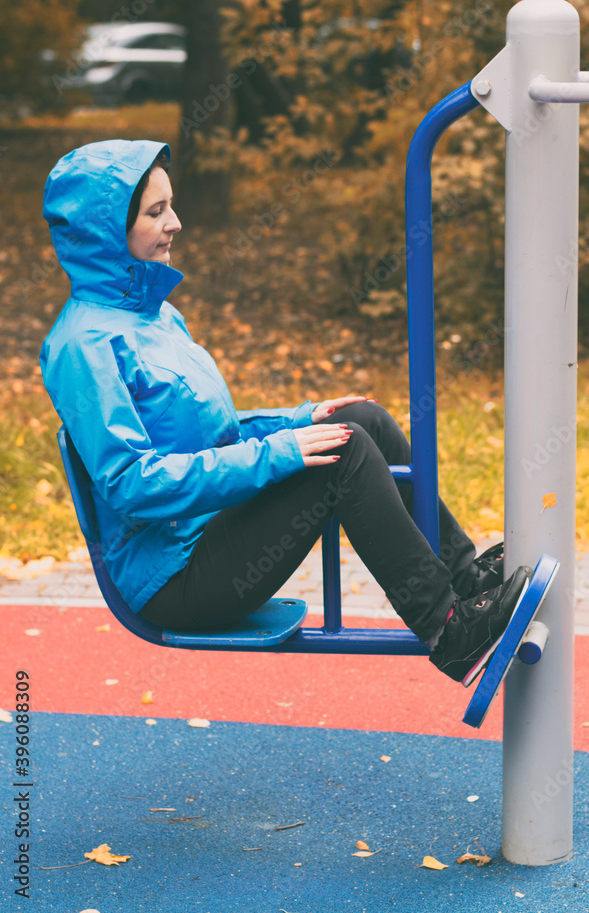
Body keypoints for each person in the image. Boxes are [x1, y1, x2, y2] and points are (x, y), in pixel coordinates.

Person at [40, 139, 531, 688]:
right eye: (157, 213)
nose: (176, 223)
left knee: (362, 421)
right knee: (343, 452)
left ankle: (464, 582)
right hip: (172, 578)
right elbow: (132, 484)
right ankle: (450, 632)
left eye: (170, 205)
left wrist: (296, 420)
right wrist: (282, 451)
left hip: (207, 529)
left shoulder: (157, 317)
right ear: (107, 232)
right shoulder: (83, 346)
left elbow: (213, 432)